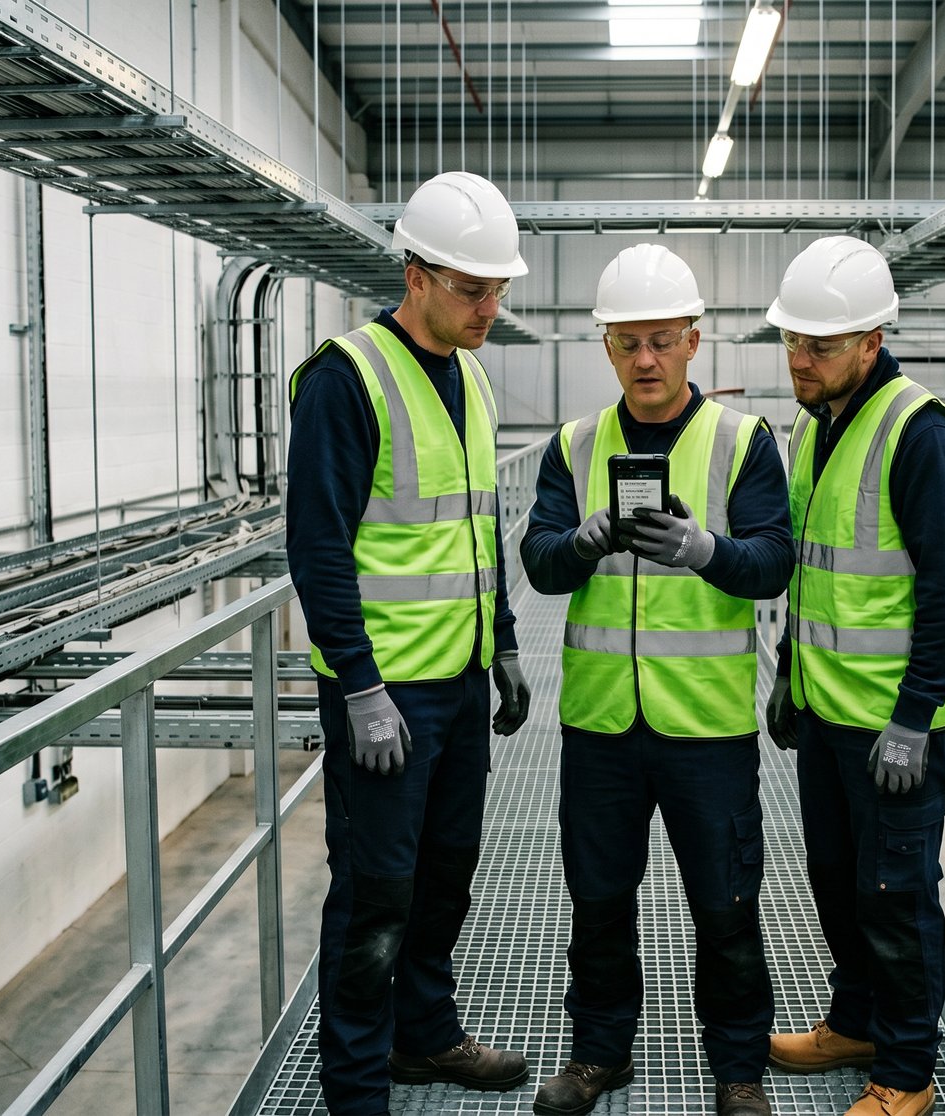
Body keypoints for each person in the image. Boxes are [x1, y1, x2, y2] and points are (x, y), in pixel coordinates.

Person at [520, 243, 793, 1116]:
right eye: (627, 342)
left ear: (693, 341)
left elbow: (774, 562)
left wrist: (706, 551)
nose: (645, 359)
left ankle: (738, 1066)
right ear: (606, 347)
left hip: (707, 730)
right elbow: (539, 564)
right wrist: (583, 541)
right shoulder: (574, 445)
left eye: (661, 341)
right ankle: (599, 1054)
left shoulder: (742, 441)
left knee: (727, 904)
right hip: (601, 726)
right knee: (598, 902)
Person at [286, 170, 535, 1116]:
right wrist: (357, 687)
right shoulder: (345, 378)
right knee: (373, 899)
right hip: (385, 697)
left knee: (443, 878)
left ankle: (424, 1037)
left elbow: (478, 523)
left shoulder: (470, 373)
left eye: (498, 289)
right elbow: (316, 547)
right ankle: (357, 1089)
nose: (489, 307)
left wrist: (504, 639)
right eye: (473, 289)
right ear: (416, 274)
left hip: (460, 683)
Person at [762, 236, 945, 1116]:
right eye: (791, 343)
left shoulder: (921, 435)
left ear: (873, 339)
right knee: (835, 880)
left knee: (895, 895)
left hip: (895, 726)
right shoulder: (818, 431)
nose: (800, 361)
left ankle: (907, 1070)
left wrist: (915, 719)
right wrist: (787, 671)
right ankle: (853, 1022)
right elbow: (816, 572)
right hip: (826, 712)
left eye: (819, 346)